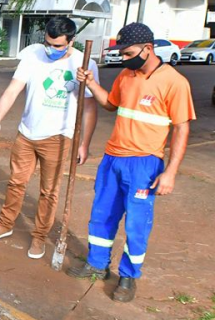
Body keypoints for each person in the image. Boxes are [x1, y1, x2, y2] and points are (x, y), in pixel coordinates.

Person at [66, 23, 196, 302]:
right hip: (113, 159)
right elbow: (111, 104)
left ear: (148, 49)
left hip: (145, 165)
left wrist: (170, 173)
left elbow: (182, 129)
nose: (124, 59)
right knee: (103, 214)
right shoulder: (126, 75)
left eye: (129, 54)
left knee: (137, 223)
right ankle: (97, 264)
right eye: (122, 54)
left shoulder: (174, 82)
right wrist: (90, 83)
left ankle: (128, 277)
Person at [0, 16, 98, 259]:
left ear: (71, 41)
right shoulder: (32, 56)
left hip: (58, 137)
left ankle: (39, 237)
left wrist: (84, 143)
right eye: (48, 43)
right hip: (27, 133)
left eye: (58, 46)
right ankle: (5, 224)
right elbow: (12, 90)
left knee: (49, 192)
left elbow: (89, 107)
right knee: (16, 183)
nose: (51, 49)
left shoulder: (83, 64)